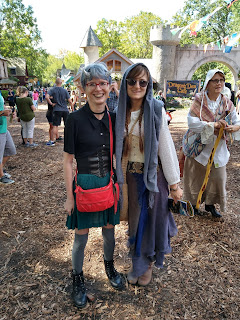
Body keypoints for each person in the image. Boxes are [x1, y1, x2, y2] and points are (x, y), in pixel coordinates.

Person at [63, 63, 125, 309]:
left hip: (107, 184)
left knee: (110, 231)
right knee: (81, 237)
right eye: (92, 84)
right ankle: (77, 278)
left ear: (110, 87)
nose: (98, 89)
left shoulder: (115, 119)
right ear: (84, 88)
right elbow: (68, 162)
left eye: (102, 83)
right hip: (85, 185)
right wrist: (69, 197)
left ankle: (109, 267)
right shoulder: (74, 119)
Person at [115, 63, 182, 286]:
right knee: (135, 224)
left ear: (148, 84)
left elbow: (166, 147)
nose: (137, 86)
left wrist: (174, 184)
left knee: (152, 224)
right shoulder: (119, 111)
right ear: (125, 83)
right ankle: (138, 265)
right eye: (132, 81)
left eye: (142, 82)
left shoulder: (155, 109)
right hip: (131, 181)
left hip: (153, 180)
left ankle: (147, 269)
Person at [182, 69, 240, 218]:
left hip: (218, 148)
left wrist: (233, 127)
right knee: (196, 178)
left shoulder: (227, 102)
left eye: (221, 80)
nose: (219, 83)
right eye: (215, 80)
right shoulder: (199, 101)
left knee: (217, 178)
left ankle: (210, 204)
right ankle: (193, 205)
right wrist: (213, 125)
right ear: (208, 84)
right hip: (198, 147)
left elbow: (236, 120)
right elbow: (192, 123)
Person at [46, 78, 73, 142]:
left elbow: (47, 97)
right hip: (65, 109)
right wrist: (72, 109)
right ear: (61, 83)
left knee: (55, 125)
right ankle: (68, 139)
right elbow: (70, 101)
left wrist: (51, 103)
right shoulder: (65, 90)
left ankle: (52, 140)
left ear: (55, 83)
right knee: (67, 125)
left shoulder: (52, 90)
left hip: (57, 109)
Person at [0, 91, 16, 184]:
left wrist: (9, 111)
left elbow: (2, 106)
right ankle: (1, 176)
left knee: (10, 150)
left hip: (4, 128)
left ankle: (1, 169)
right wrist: (2, 113)